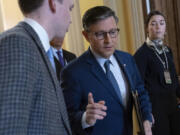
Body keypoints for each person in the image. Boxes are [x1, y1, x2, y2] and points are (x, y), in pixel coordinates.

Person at [61, 6, 153, 135]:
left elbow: (140, 91)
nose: (108, 40)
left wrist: (146, 118)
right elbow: (65, 118)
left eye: (113, 32)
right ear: (86, 36)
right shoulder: (72, 72)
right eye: (100, 34)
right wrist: (85, 118)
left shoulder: (127, 59)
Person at [0, 0, 74, 134]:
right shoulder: (17, 44)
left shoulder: (37, 48)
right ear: (53, 3)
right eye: (70, 8)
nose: (71, 19)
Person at [134, 10, 180, 135]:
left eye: (161, 23)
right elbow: (138, 87)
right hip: (155, 108)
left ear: (165, 28)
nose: (158, 27)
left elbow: (174, 79)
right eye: (153, 23)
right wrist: (146, 114)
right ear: (147, 29)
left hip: (172, 104)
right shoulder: (141, 54)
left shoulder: (167, 51)